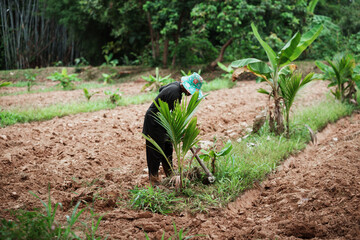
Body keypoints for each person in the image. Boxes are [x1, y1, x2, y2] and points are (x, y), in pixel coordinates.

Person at [142, 72, 204, 185]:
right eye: (192, 91)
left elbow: (161, 89)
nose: (191, 94)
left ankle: (170, 174)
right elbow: (172, 115)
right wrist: (180, 131)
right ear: (187, 88)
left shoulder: (176, 86)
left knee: (167, 147)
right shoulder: (175, 93)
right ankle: (153, 180)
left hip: (163, 121)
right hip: (155, 121)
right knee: (155, 151)